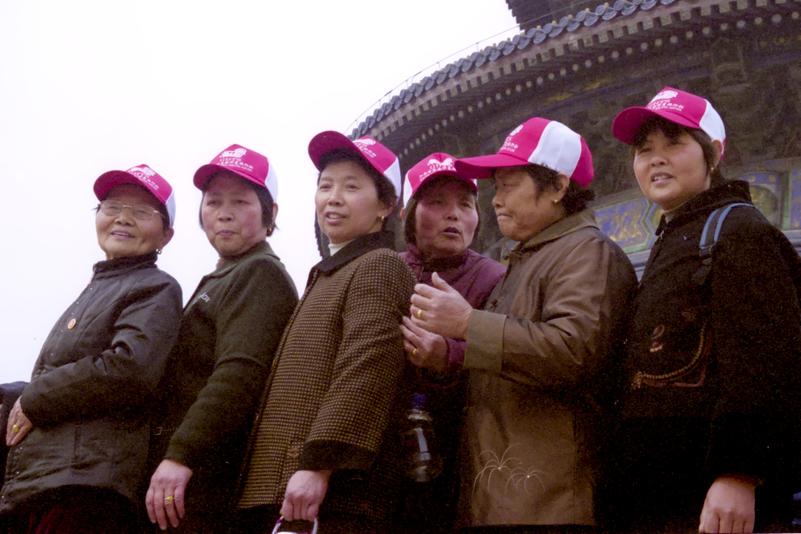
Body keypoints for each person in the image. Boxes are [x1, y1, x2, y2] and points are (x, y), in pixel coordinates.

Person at [408, 117, 637, 532]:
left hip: (551, 504)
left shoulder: (588, 252)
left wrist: (466, 323)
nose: (496, 200)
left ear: (557, 187)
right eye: (496, 187)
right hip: (503, 500)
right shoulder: (527, 260)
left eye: (510, 185)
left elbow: (574, 350)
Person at [603, 86, 801, 533]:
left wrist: (738, 473)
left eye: (674, 143)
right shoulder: (675, 237)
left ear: (714, 152)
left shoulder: (739, 231)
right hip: (660, 492)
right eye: (644, 149)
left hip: (708, 497)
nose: (656, 159)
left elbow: (766, 360)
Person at [236, 131, 415, 533]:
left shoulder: (379, 264)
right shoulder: (329, 273)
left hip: (328, 492)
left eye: (352, 187)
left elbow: (366, 368)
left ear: (385, 206)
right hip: (286, 485)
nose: (333, 198)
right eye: (325, 185)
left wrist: (319, 463)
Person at [0, 165, 182, 533]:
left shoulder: (156, 287)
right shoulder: (98, 287)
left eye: (142, 212)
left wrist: (36, 397)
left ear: (166, 234)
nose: (123, 219)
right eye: (112, 207)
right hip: (43, 484)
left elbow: (128, 369)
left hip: (84, 489)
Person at [145, 144, 298, 533]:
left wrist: (181, 456)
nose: (224, 213)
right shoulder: (226, 274)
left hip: (204, 479)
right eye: (213, 202)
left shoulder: (260, 273)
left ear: (270, 214)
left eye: (241, 201)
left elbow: (238, 374)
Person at [398, 152, 505, 532]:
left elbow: (508, 355)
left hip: (460, 454)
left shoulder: (495, 277)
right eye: (437, 202)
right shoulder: (385, 270)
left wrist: (449, 355)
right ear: (409, 213)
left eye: (465, 204)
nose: (453, 214)